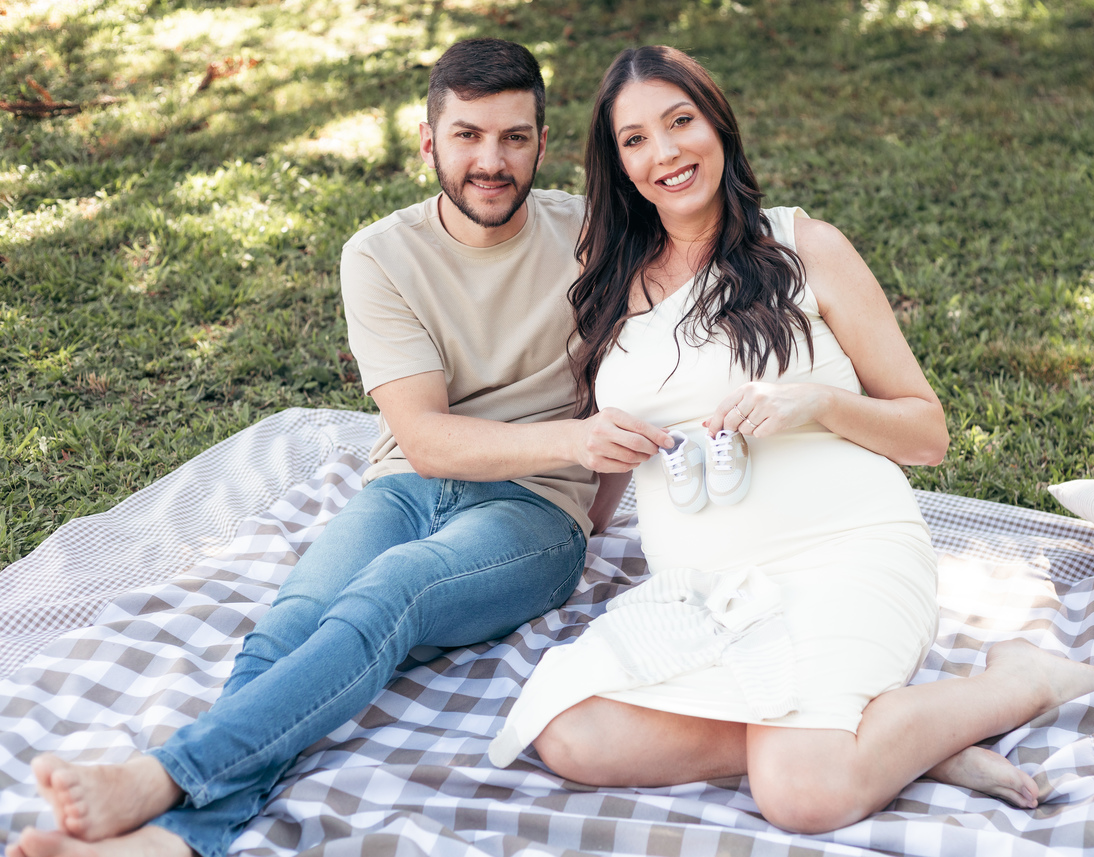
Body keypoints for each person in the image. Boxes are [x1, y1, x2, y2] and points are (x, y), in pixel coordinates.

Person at [5, 39, 671, 857]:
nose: (491, 161)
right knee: (291, 622)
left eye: (513, 137)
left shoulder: (596, 234)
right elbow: (424, 440)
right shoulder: (381, 254)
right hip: (406, 485)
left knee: (391, 589)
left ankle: (160, 776)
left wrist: (589, 505)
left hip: (533, 510)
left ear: (542, 142)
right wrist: (580, 439)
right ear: (428, 142)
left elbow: (654, 353)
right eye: (467, 136)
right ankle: (176, 841)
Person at [487, 45, 1094, 835]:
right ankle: (897, 738)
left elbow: (927, 432)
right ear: (618, 163)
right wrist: (585, 461)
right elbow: (608, 464)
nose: (666, 153)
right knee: (569, 731)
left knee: (803, 794)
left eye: (681, 121)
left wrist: (816, 402)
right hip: (707, 590)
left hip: (844, 553)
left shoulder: (803, 245)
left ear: (718, 124)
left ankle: (1016, 683)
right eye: (636, 139)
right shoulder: (609, 278)